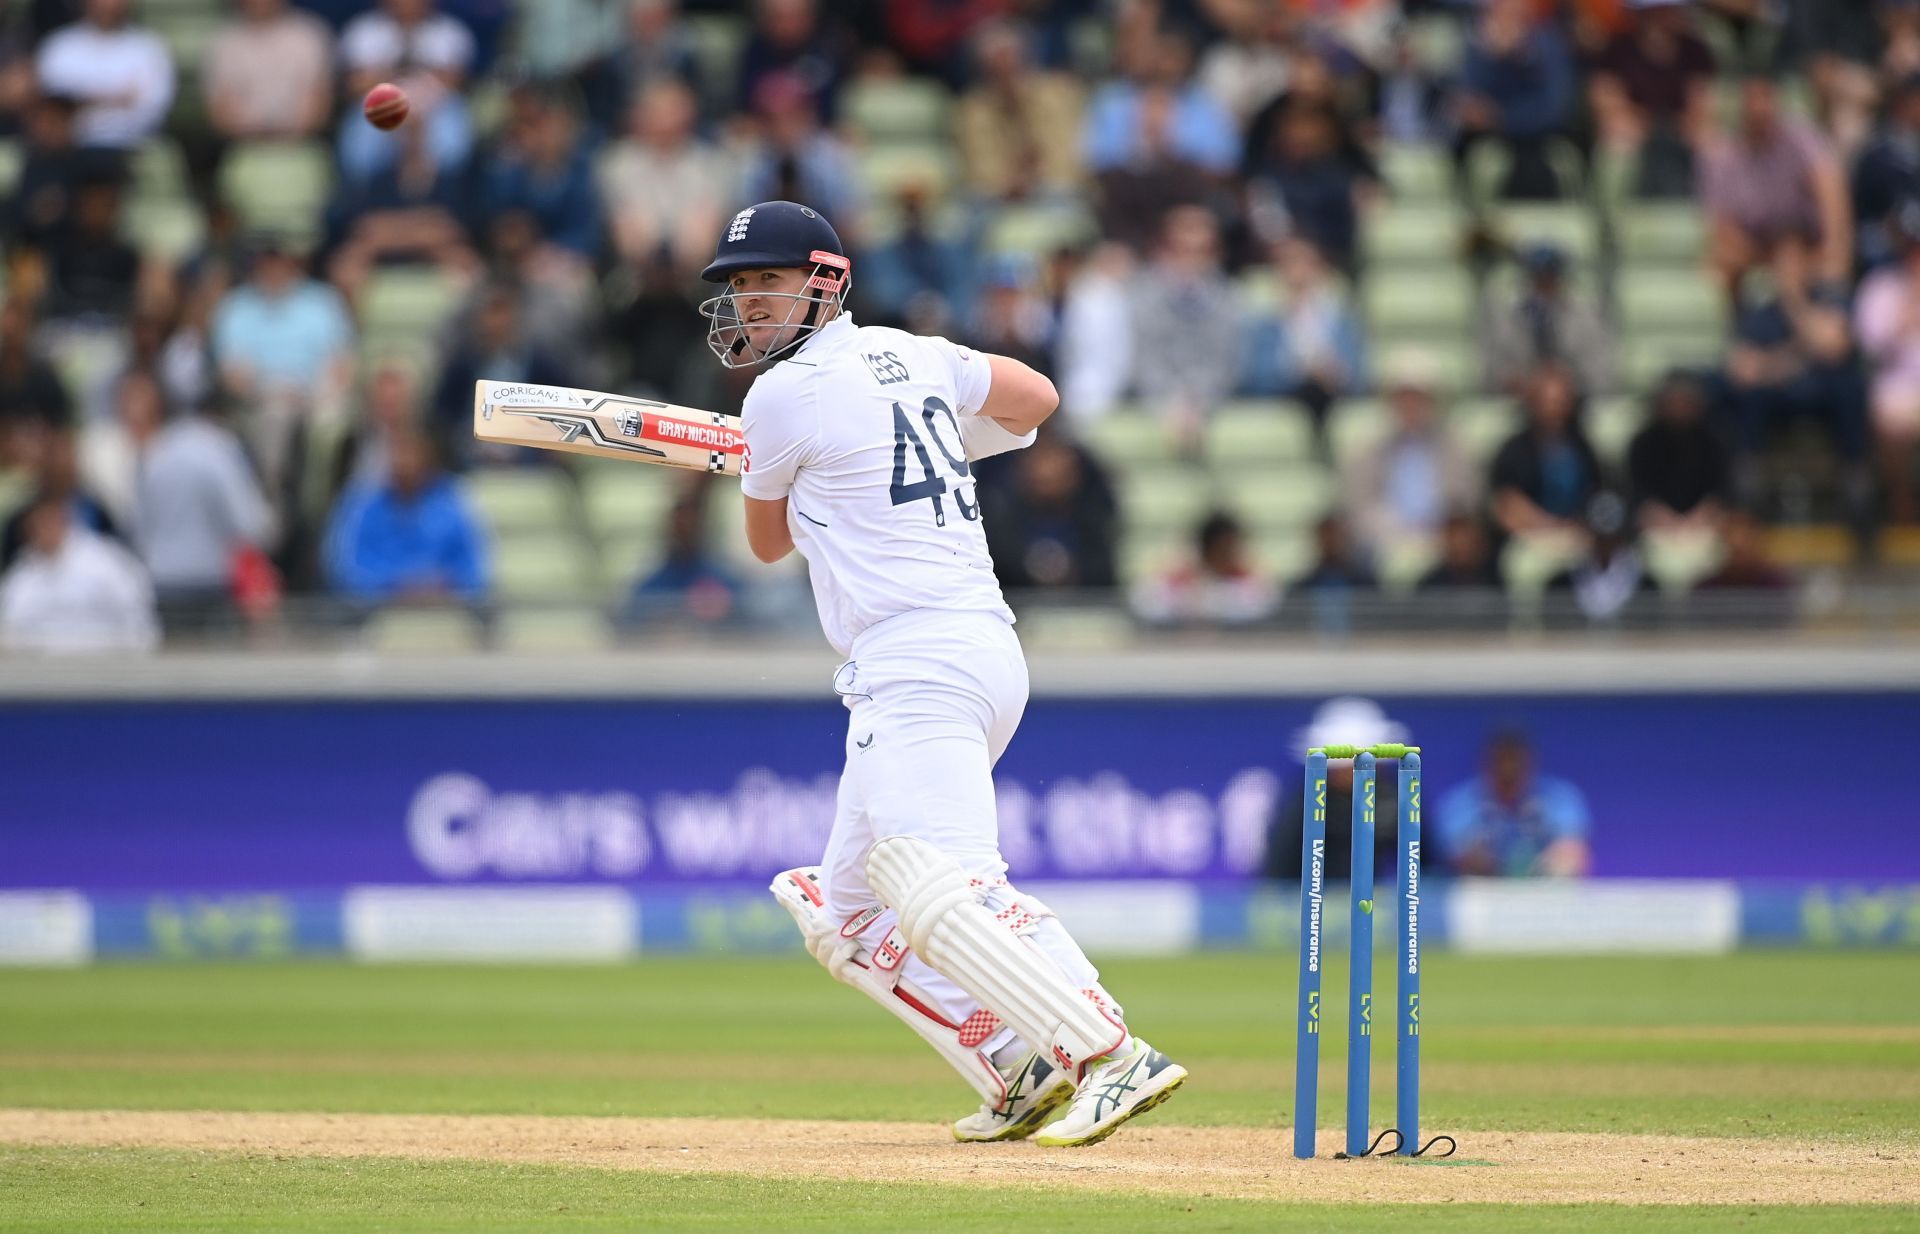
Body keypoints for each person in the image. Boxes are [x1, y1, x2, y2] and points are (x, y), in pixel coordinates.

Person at [703, 199, 1185, 1148]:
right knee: (840, 912)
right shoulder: (921, 354)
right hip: (977, 648)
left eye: (767, 281)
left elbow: (763, 546)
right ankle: (1014, 1064)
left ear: (825, 282)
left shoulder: (778, 399)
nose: (749, 304)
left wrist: (778, 475)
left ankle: (1105, 1049)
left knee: (948, 884)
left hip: (914, 660)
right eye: (738, 287)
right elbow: (1038, 401)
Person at [1264, 697, 1408, 882]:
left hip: (1372, 901)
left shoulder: (1396, 797)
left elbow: (1423, 862)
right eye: (1348, 765)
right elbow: (1279, 869)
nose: (1359, 772)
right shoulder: (1306, 802)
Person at [0, 491, 157, 653]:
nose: (43, 532)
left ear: (64, 522)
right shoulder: (22, 573)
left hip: (103, 661)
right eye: (36, 527)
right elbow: (10, 625)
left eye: (49, 523)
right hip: (41, 666)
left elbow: (134, 614)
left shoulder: (105, 561)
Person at [1437, 727, 1593, 877]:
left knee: (1566, 862)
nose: (1508, 770)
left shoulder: (1560, 796)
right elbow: (1452, 852)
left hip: (1542, 890)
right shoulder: (1461, 801)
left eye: (1515, 762)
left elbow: (1572, 848)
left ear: (1529, 764)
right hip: (1482, 892)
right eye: (1501, 761)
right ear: (1488, 764)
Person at [1481, 244, 1616, 397]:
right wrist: (1517, 382)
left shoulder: (1586, 317)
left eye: (1549, 279)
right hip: (1518, 404)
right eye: (1537, 279)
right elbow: (1490, 373)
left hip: (1576, 405)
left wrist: (1562, 385)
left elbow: (1602, 374)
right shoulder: (1506, 317)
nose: (1543, 288)